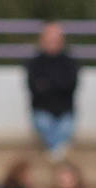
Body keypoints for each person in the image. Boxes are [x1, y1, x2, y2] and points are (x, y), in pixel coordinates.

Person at [25, 22, 80, 159]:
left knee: (65, 127)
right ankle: (58, 154)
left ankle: (54, 153)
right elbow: (34, 88)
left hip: (64, 112)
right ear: (42, 40)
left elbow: (70, 86)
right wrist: (57, 84)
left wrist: (47, 84)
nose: (52, 43)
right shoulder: (34, 63)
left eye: (55, 39)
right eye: (49, 39)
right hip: (42, 111)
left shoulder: (70, 62)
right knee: (44, 123)